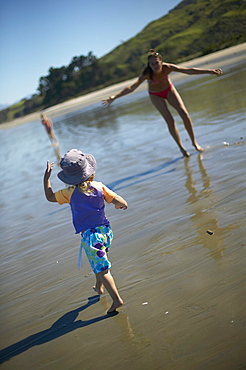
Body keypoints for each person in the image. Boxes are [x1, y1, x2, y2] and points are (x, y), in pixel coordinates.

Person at [43, 149, 128, 314]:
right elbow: (118, 200)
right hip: (105, 232)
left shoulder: (69, 193)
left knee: (103, 269)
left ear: (69, 178)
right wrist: (121, 204)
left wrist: (46, 179)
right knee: (99, 262)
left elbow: (50, 197)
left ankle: (116, 299)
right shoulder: (99, 186)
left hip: (91, 237)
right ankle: (98, 287)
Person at [102, 50, 223, 157]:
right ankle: (181, 148)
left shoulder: (167, 68)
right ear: (149, 65)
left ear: (161, 61)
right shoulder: (147, 74)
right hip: (156, 96)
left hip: (169, 90)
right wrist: (114, 97)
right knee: (170, 121)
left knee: (184, 114)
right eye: (152, 63)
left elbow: (188, 70)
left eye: (156, 62)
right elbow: (131, 87)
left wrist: (209, 71)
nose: (154, 65)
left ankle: (194, 142)